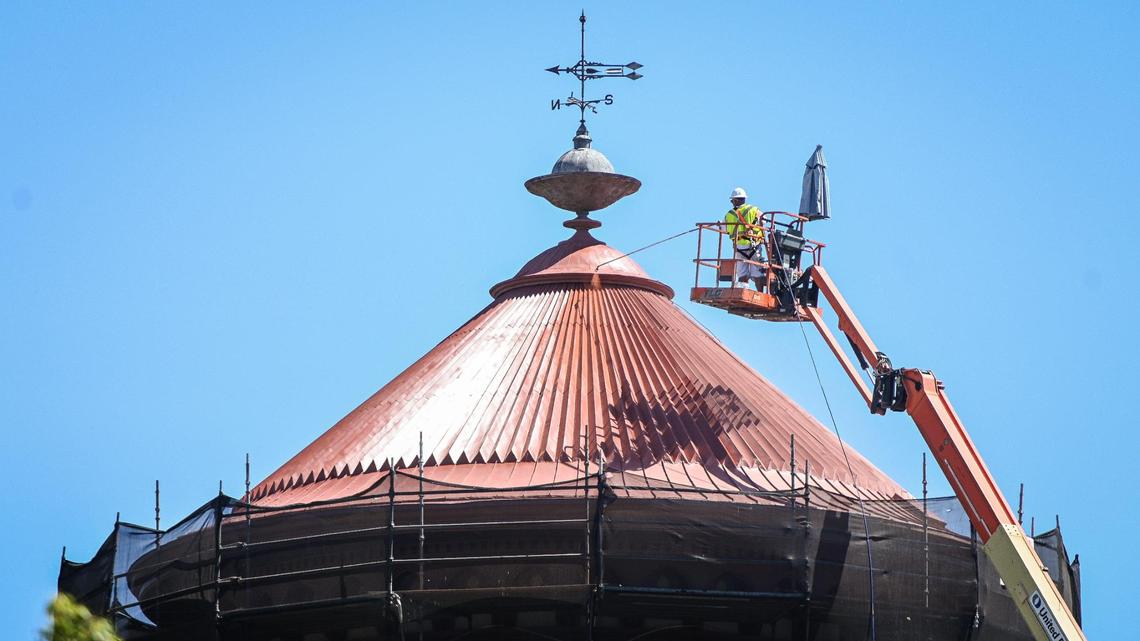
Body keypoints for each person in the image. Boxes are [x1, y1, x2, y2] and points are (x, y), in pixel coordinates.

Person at [725, 187, 764, 287]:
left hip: (739, 247)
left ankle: (744, 291)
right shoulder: (754, 210)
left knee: (742, 273)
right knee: (757, 273)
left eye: (732, 201)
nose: (732, 203)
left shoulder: (729, 214)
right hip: (754, 245)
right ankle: (759, 293)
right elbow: (764, 222)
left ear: (736, 200)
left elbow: (722, 227)